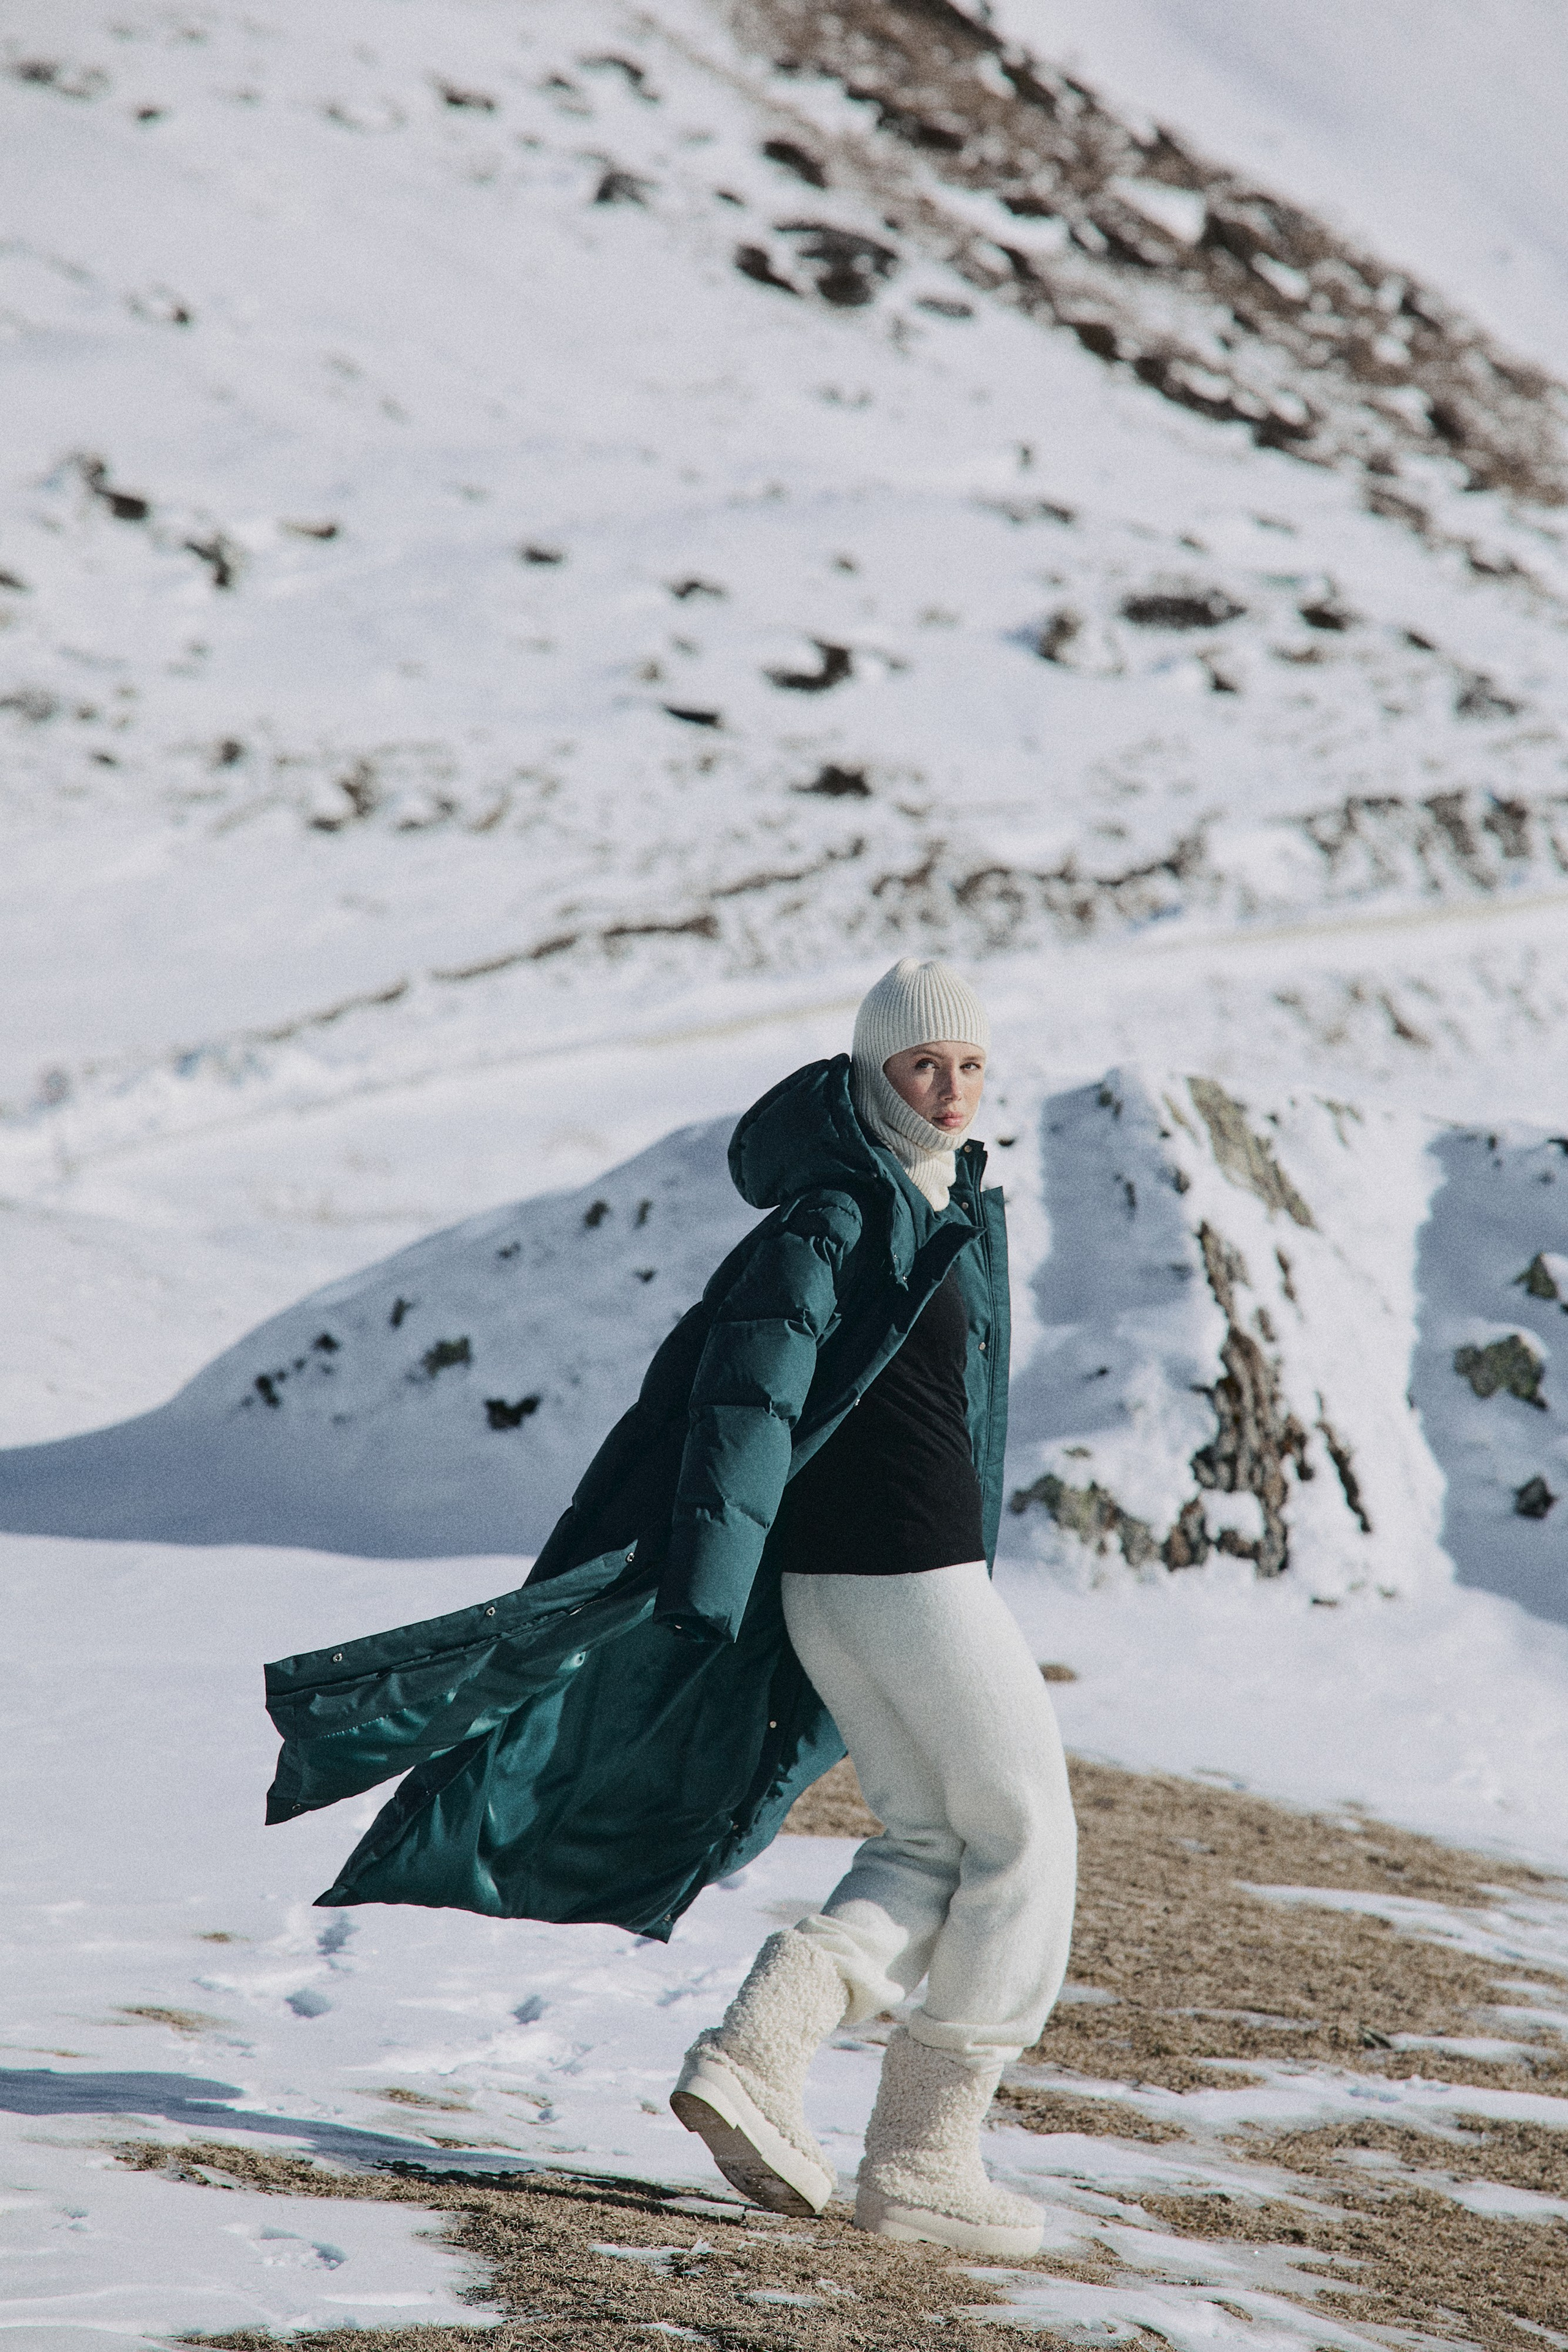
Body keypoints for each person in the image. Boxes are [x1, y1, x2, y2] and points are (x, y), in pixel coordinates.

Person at [262, 957, 1077, 2259]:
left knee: (933, 1839)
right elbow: (741, 1401)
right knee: (1030, 1839)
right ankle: (926, 2159)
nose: (950, 1088)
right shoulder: (831, 1219)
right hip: (894, 1572)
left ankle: (760, 2056)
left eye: (970, 1066)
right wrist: (704, 1580)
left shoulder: (942, 1204)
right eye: (923, 1065)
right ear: (871, 1073)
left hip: (890, 1576)